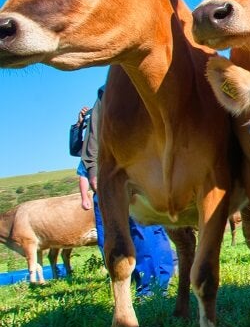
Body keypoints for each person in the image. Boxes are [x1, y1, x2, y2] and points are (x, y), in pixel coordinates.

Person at [72, 85, 175, 297]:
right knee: (150, 229)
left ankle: (148, 288)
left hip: (120, 178)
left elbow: (88, 149)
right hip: (143, 176)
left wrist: (94, 172)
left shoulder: (109, 96)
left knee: (124, 233)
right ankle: (161, 280)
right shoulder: (136, 93)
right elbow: (79, 147)